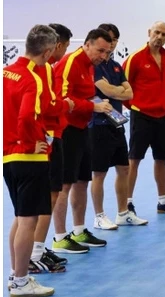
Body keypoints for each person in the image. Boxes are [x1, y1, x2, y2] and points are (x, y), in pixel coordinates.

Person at [4, 24, 58, 295]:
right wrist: (29, 143)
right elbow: (26, 117)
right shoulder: (31, 78)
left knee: (20, 217)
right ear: (47, 53)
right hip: (28, 157)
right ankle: (20, 281)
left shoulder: (5, 73)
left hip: (8, 157)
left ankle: (17, 276)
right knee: (29, 221)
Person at [52, 28, 114, 253]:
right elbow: (61, 98)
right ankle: (59, 237)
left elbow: (81, 95)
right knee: (64, 185)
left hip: (82, 129)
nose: (103, 57)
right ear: (87, 44)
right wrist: (93, 106)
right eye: (100, 50)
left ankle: (79, 230)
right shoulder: (71, 63)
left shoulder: (90, 66)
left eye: (107, 52)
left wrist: (98, 103)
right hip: (66, 130)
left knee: (81, 182)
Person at [123, 21, 165, 215]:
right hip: (141, 116)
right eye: (157, 32)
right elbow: (123, 86)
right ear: (149, 32)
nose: (160, 37)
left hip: (164, 118)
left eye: (164, 35)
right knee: (134, 160)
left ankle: (163, 202)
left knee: (161, 160)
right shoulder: (135, 58)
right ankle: (126, 204)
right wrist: (134, 107)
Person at [91, 23, 148, 229]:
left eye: (114, 39)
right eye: (108, 39)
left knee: (123, 168)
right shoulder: (94, 65)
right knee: (99, 173)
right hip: (97, 125)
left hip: (117, 124)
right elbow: (107, 90)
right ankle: (99, 216)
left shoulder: (115, 66)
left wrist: (114, 90)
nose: (111, 43)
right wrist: (116, 90)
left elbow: (128, 93)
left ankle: (123, 213)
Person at [29, 23, 74, 272]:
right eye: (65, 46)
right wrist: (66, 106)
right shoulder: (44, 69)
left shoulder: (41, 68)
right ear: (56, 45)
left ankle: (36, 249)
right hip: (47, 136)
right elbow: (47, 105)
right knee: (47, 197)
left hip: (48, 135)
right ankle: (34, 253)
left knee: (46, 197)